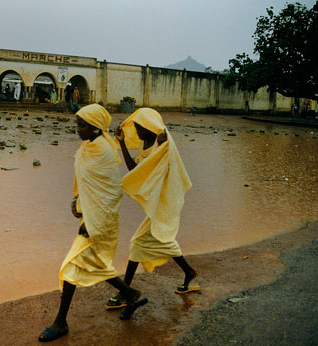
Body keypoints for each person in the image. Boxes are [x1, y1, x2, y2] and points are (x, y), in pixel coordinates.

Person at [38, 104, 148, 342]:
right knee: (94, 263)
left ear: (97, 127)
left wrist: (93, 221)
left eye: (82, 125)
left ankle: (60, 322)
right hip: (88, 217)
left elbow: (111, 194)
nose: (78, 129)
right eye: (77, 124)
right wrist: (78, 203)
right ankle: (130, 294)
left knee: (71, 267)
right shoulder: (87, 147)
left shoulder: (105, 153)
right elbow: (85, 183)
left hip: (99, 222)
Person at [105, 108, 199, 310]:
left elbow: (164, 144)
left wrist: (163, 136)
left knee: (138, 242)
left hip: (167, 198)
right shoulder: (145, 144)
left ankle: (125, 292)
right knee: (161, 238)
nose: (137, 131)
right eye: (136, 127)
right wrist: (121, 142)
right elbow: (135, 170)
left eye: (140, 127)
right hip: (160, 201)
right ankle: (189, 271)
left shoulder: (163, 141)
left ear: (150, 127)